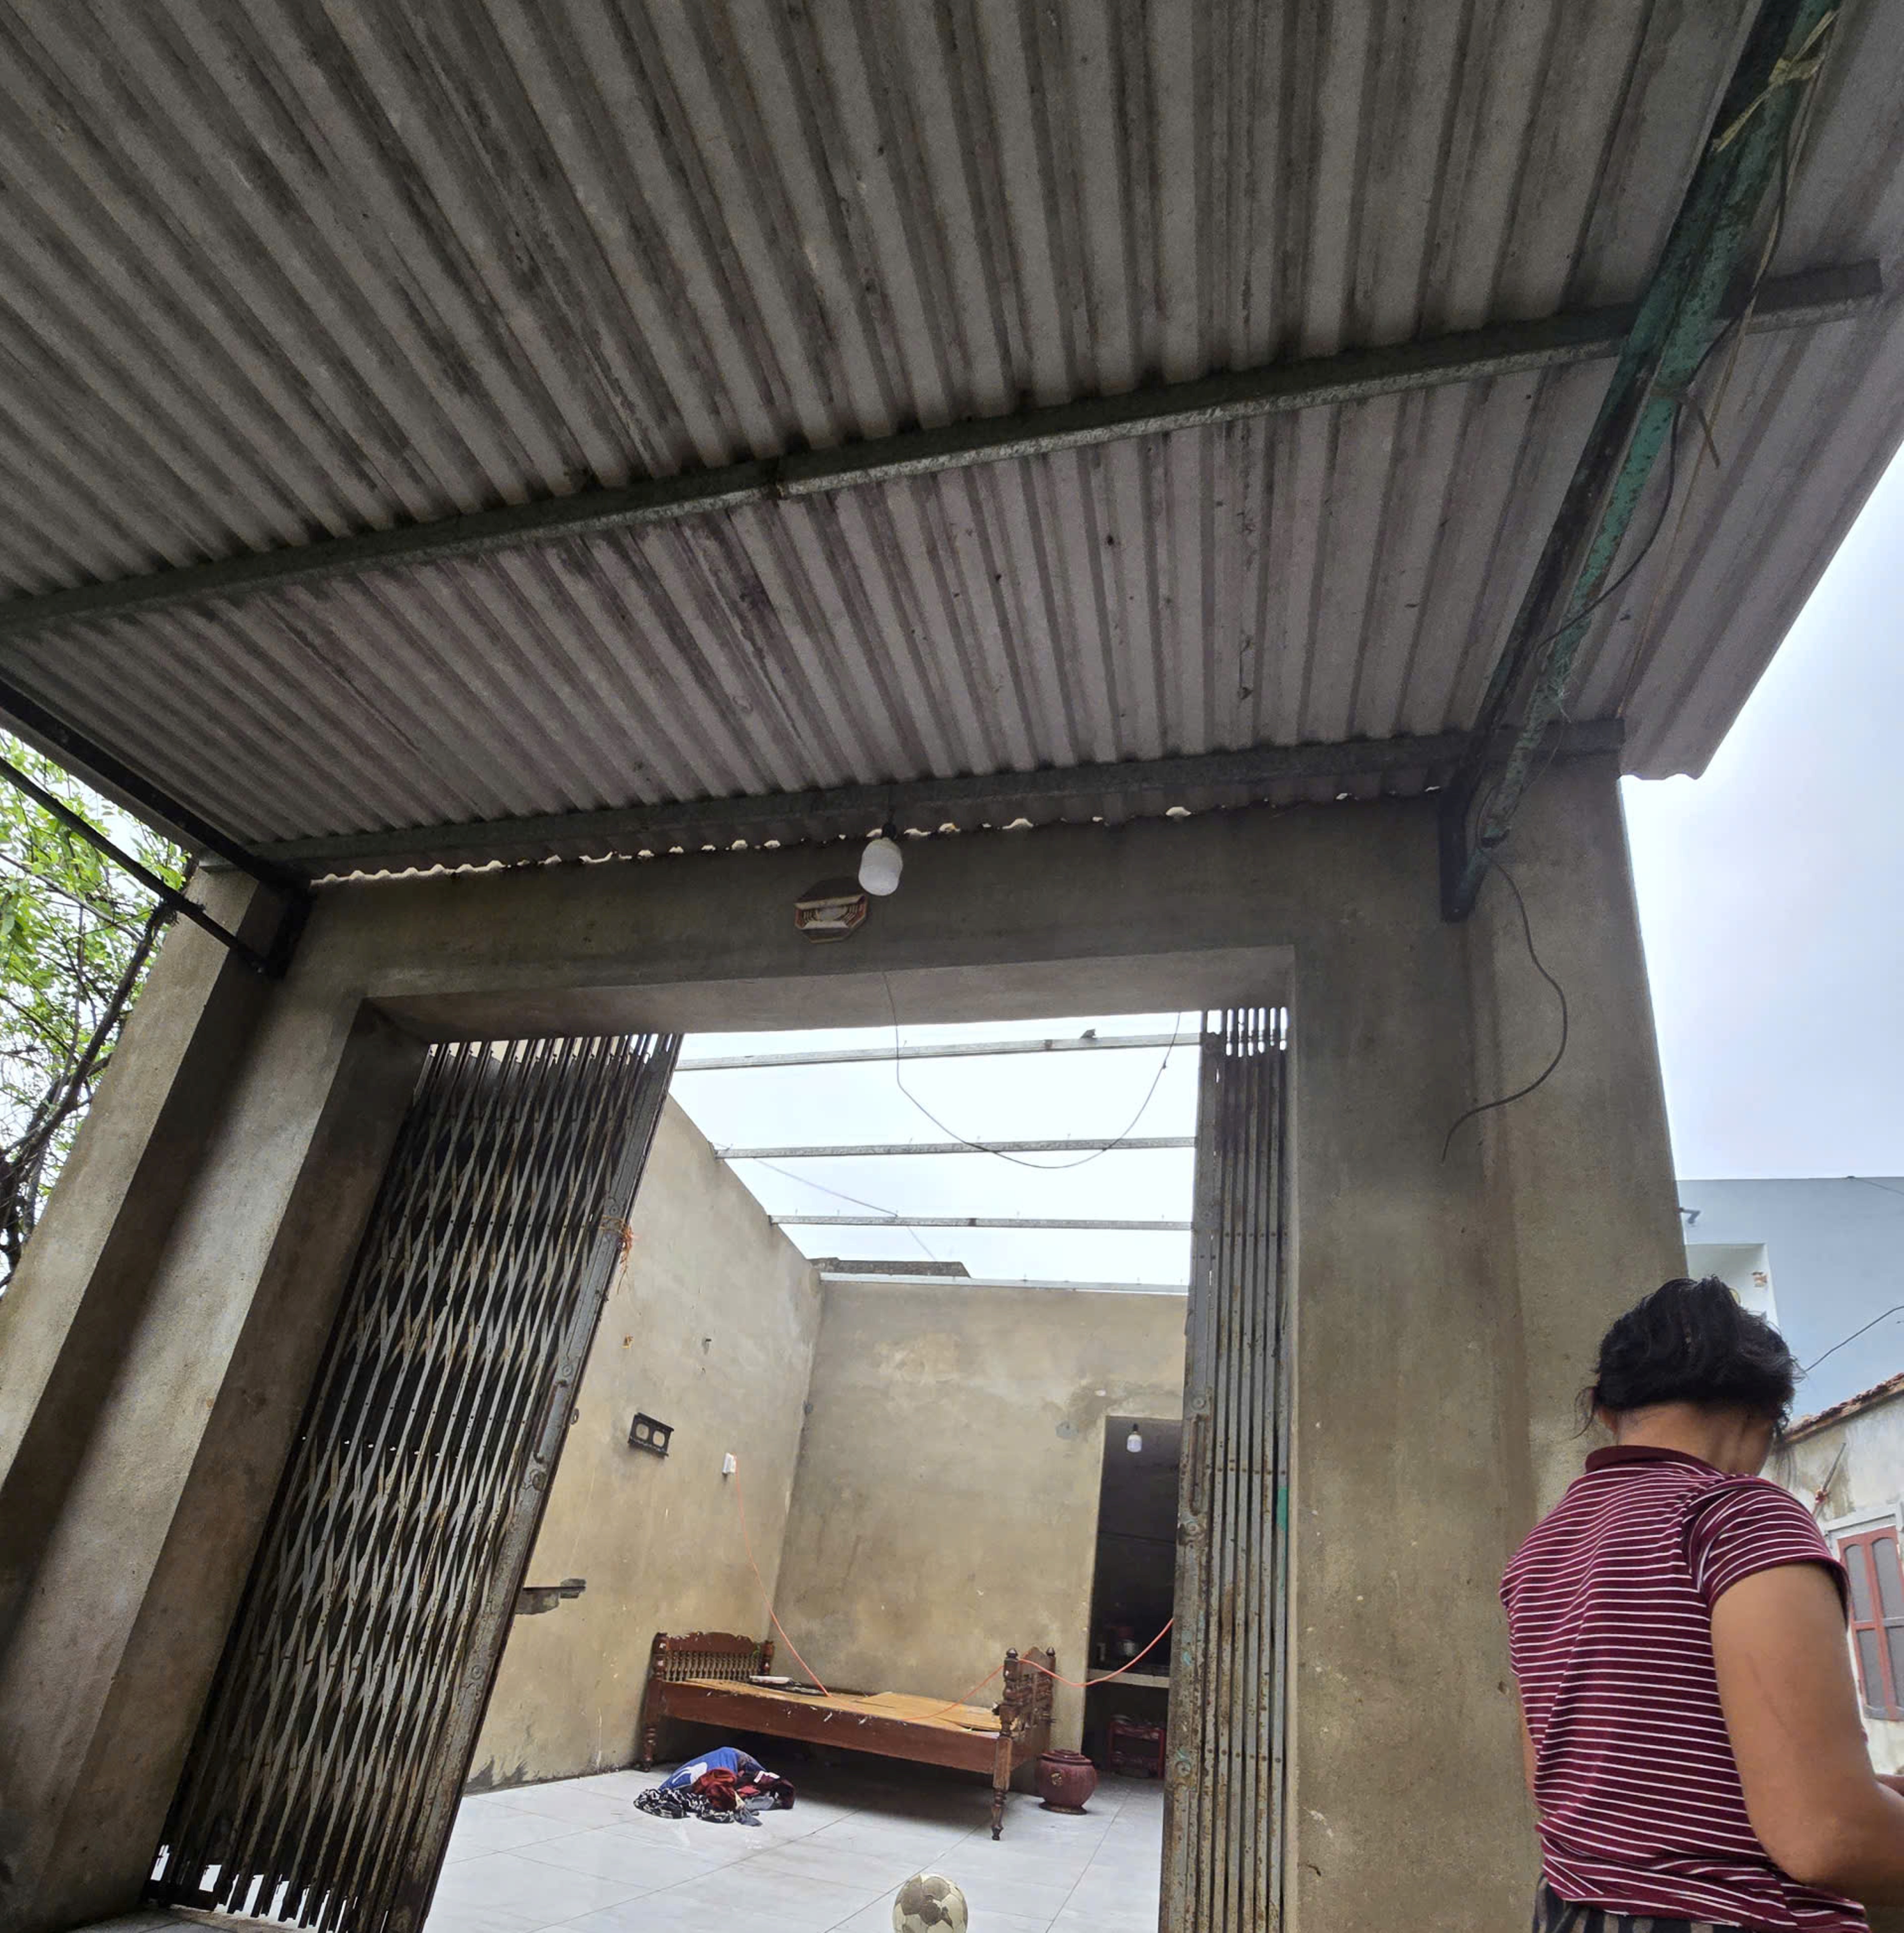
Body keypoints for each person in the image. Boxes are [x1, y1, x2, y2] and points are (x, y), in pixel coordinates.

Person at [1502, 1276, 1904, 1933]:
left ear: (1605, 1410)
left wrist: (1870, 1789)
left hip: (1575, 1910)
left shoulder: (1544, 1547)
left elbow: (1593, 1783)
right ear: (1765, 1410)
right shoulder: (1736, 1519)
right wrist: (1851, 1805)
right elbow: (1827, 1835)